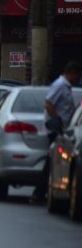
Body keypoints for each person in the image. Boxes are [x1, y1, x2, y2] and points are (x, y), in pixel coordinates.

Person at [31, 61, 81, 203]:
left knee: (53, 162)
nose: (78, 79)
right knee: (53, 162)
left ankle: (40, 192)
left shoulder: (65, 86)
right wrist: (57, 121)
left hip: (63, 130)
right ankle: (39, 193)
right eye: (78, 75)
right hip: (56, 130)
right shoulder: (59, 85)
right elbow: (48, 103)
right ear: (72, 73)